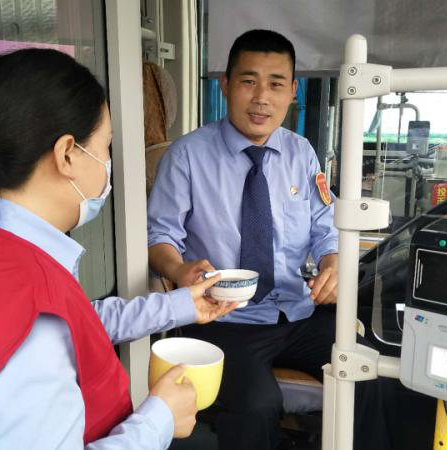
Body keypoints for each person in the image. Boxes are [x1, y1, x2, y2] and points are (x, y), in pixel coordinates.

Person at [0, 49, 237, 450]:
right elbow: (46, 333)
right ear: (67, 154)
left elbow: (80, 323)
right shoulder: (30, 304)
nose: (108, 163)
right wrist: (160, 417)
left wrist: (183, 304)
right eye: (106, 145)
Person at [147, 29, 393, 450]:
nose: (261, 97)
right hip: (224, 318)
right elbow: (159, 236)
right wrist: (179, 269)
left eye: (276, 84)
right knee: (257, 404)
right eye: (248, 81)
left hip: (297, 310)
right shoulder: (187, 156)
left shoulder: (301, 153)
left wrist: (332, 261)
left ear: (292, 91)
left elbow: (324, 224)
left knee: (371, 372)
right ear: (225, 85)